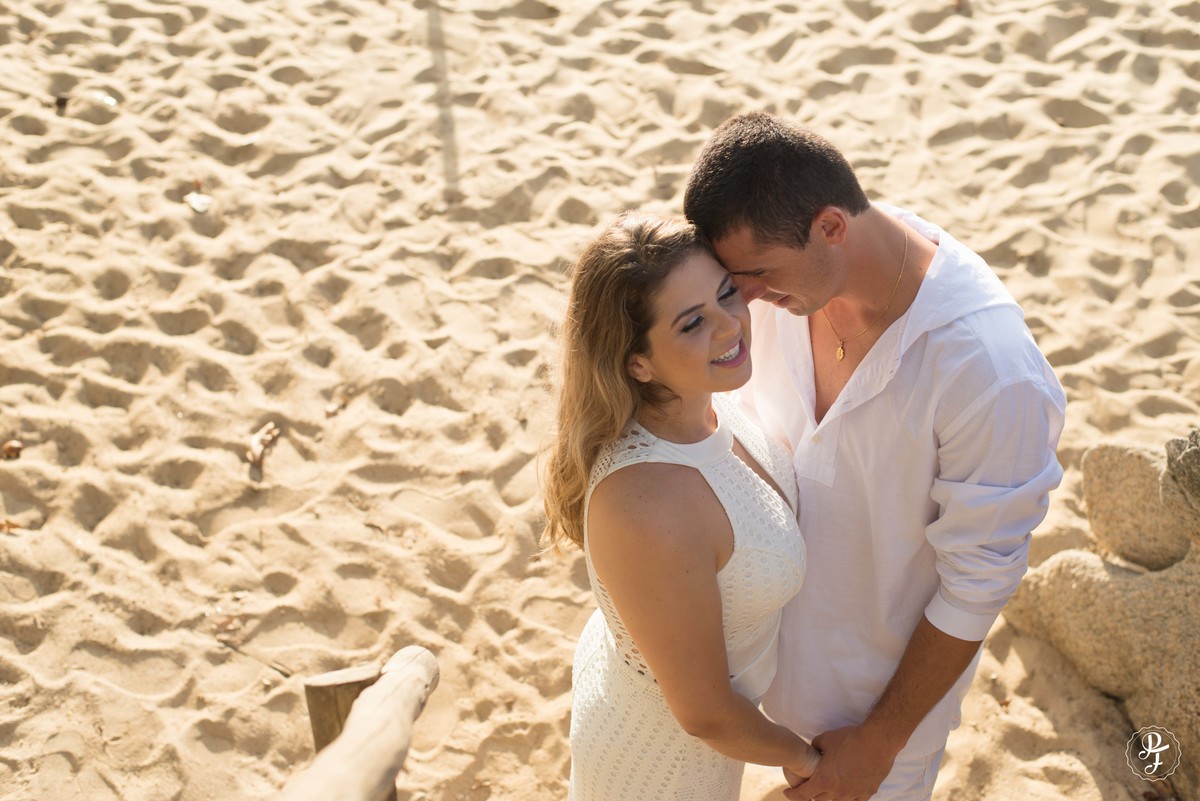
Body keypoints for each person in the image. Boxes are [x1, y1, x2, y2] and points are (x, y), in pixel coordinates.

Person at [683, 112, 1066, 801]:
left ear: (832, 227)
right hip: (740, 682)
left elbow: (977, 584)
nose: (744, 302)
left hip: (865, 721)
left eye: (758, 275)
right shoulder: (775, 285)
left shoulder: (989, 372)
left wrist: (881, 742)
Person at [542, 212, 821, 801]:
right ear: (637, 362)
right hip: (658, 766)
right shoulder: (646, 504)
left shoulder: (715, 403)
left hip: (669, 716)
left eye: (726, 295)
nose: (730, 327)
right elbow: (706, 714)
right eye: (692, 324)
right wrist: (804, 758)